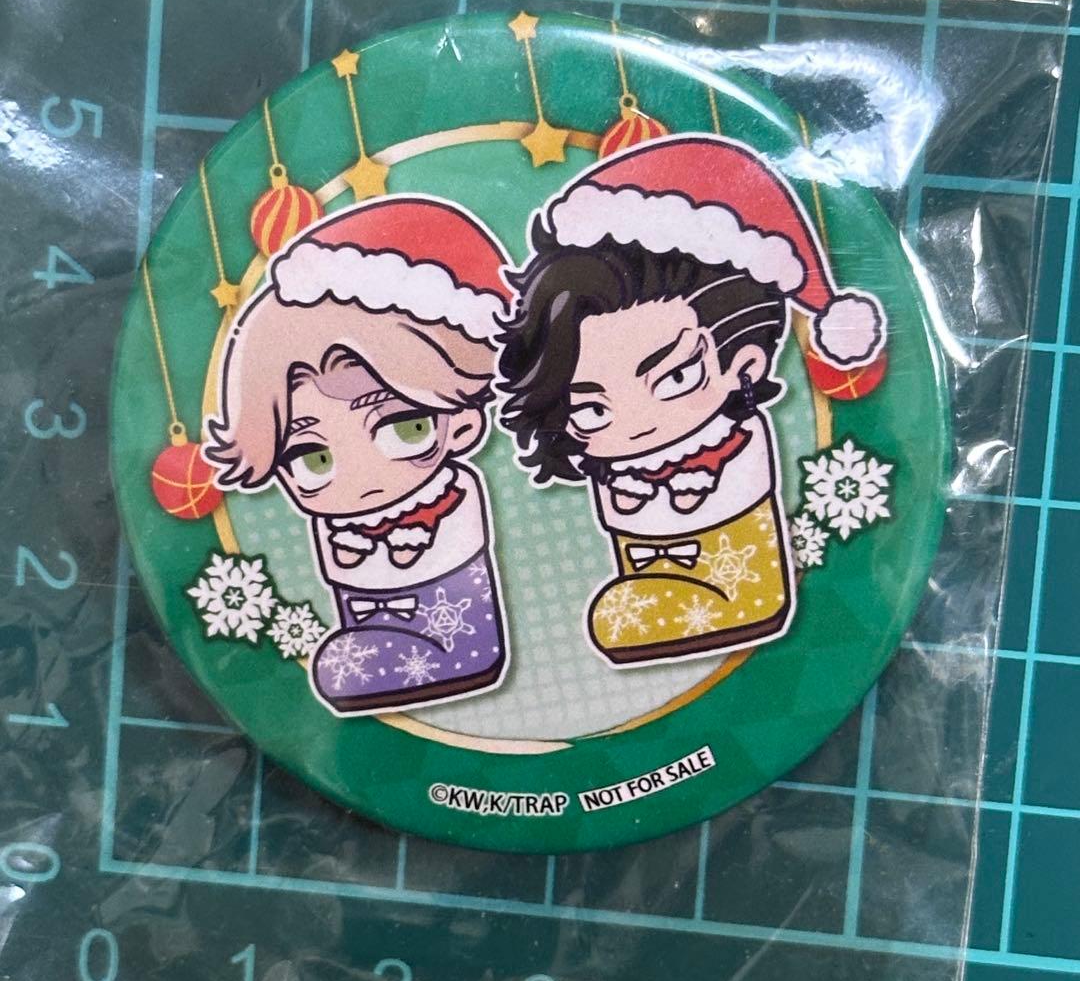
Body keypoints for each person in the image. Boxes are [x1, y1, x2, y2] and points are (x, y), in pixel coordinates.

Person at [499, 134, 887, 666]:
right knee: (623, 611)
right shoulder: (614, 468)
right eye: (592, 409)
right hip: (650, 591)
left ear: (745, 364)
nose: (635, 425)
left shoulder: (738, 441)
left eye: (675, 376)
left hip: (747, 592)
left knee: (623, 616)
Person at [205, 196, 512, 714]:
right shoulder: (335, 524)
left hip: (460, 639)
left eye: (405, 428)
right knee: (349, 654)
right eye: (312, 458)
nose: (365, 480)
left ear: (462, 424)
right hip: (369, 645)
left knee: (359, 659)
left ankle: (454, 659)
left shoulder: (455, 496)